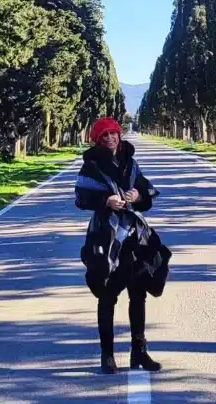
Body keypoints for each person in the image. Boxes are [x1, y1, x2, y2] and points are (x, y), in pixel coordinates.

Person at [75, 117, 170, 375]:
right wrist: (106, 201)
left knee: (138, 294)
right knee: (107, 295)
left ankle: (139, 352)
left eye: (112, 134)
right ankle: (107, 356)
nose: (109, 139)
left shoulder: (131, 162)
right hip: (105, 238)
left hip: (134, 239)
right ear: (97, 140)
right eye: (103, 136)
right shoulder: (91, 166)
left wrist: (137, 196)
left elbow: (145, 193)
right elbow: (81, 198)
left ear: (119, 135)